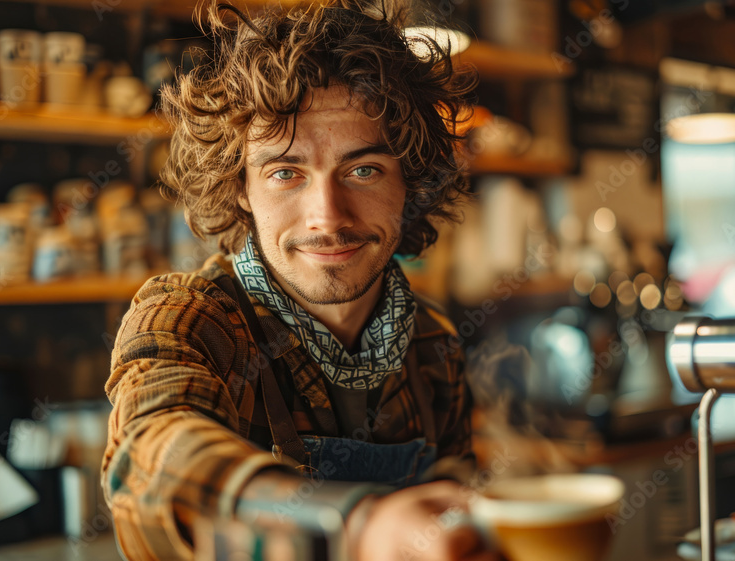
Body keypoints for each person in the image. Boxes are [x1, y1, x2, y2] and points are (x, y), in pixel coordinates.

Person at [101, 1, 495, 559]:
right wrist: (355, 524)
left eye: (363, 170)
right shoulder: (189, 319)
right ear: (240, 187)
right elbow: (149, 462)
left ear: (410, 181)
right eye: (286, 173)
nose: (328, 217)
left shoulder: (432, 343)